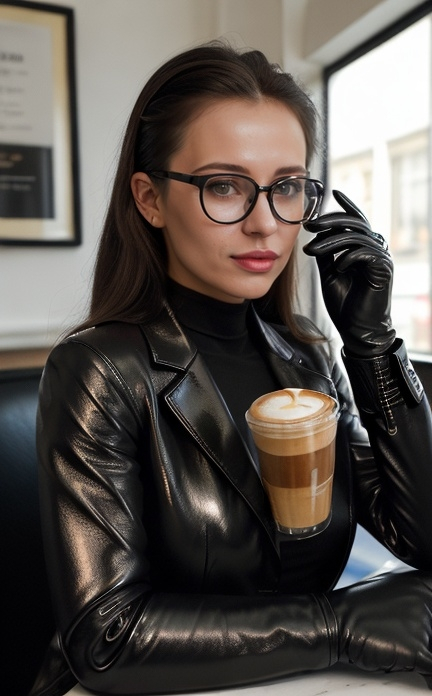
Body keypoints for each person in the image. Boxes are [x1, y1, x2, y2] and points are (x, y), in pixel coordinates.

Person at [31, 41, 432, 696]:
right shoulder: (99, 370)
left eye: (287, 188)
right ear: (150, 199)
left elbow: (420, 534)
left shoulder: (307, 361)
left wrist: (372, 341)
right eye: (224, 186)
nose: (264, 224)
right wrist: (335, 625)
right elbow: (106, 637)